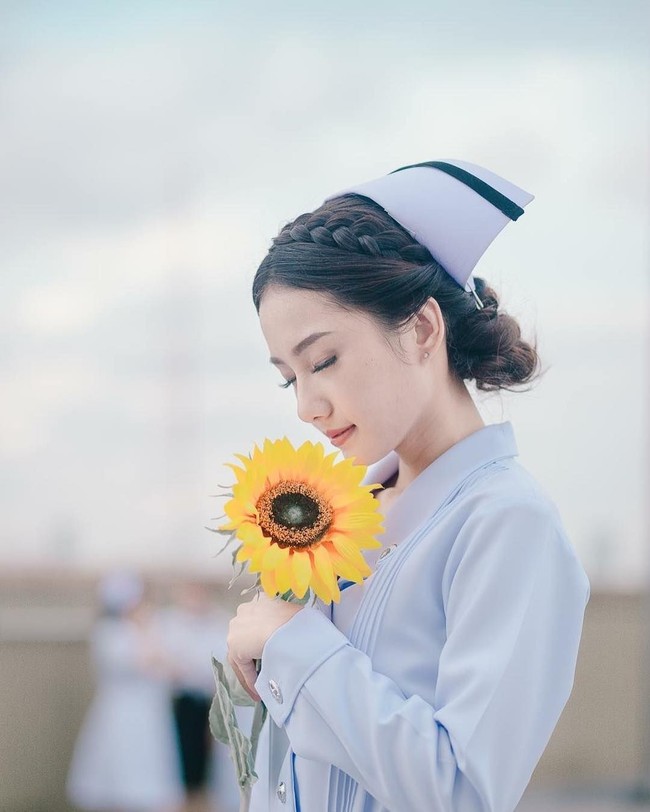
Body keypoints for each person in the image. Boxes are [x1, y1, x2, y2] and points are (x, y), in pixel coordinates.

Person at [226, 160, 590, 812]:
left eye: (324, 361)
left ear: (422, 329)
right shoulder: (337, 515)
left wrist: (293, 644)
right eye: (290, 377)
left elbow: (464, 790)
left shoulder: (508, 523)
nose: (306, 406)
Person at [67, 571, 184, 812]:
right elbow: (145, 660)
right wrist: (143, 629)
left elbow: (174, 668)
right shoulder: (110, 633)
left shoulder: (155, 627)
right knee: (120, 774)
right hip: (121, 715)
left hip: (151, 713)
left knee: (151, 775)